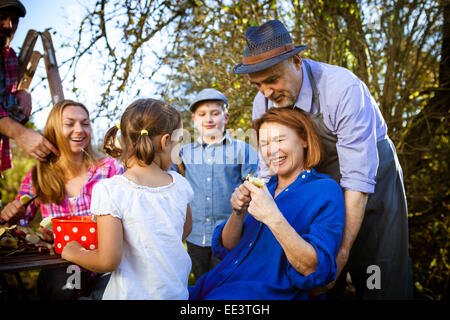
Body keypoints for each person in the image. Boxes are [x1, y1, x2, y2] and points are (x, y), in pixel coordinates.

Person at [232, 19, 413, 299]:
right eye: (257, 84)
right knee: (322, 277)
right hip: (318, 187)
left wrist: (341, 256)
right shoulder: (263, 103)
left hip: (372, 179)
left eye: (271, 80)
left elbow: (357, 178)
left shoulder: (342, 88)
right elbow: (268, 172)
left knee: (376, 269)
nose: (266, 92)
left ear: (296, 61)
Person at [189, 107, 344, 300]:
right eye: (264, 144)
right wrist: (237, 212)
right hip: (215, 284)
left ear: (304, 139)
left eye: (280, 140)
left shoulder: (326, 190)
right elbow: (228, 247)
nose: (271, 151)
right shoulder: (264, 187)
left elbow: (314, 269)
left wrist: (272, 217)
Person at [61, 98, 194, 300]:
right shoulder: (180, 184)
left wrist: (72, 252)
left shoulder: (110, 190)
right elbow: (184, 230)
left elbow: (107, 261)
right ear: (166, 142)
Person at [0, 99, 124, 299]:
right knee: (63, 291)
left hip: (106, 264)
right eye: (70, 124)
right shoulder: (38, 176)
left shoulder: (110, 169)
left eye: (85, 123)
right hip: (60, 265)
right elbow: (17, 228)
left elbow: (131, 215)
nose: (79, 130)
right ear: (54, 130)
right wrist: (13, 217)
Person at [172, 88, 258, 282]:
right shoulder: (183, 153)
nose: (208, 119)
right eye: (202, 114)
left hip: (230, 234)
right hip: (195, 234)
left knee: (226, 283)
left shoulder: (242, 149)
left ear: (226, 117)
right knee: (201, 281)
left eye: (215, 113)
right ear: (194, 119)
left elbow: (253, 186)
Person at [0, 0, 59, 182]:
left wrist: (22, 92)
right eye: (1, 17)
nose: (8, 25)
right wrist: (21, 134)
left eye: (14, 20)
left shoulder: (9, 57)